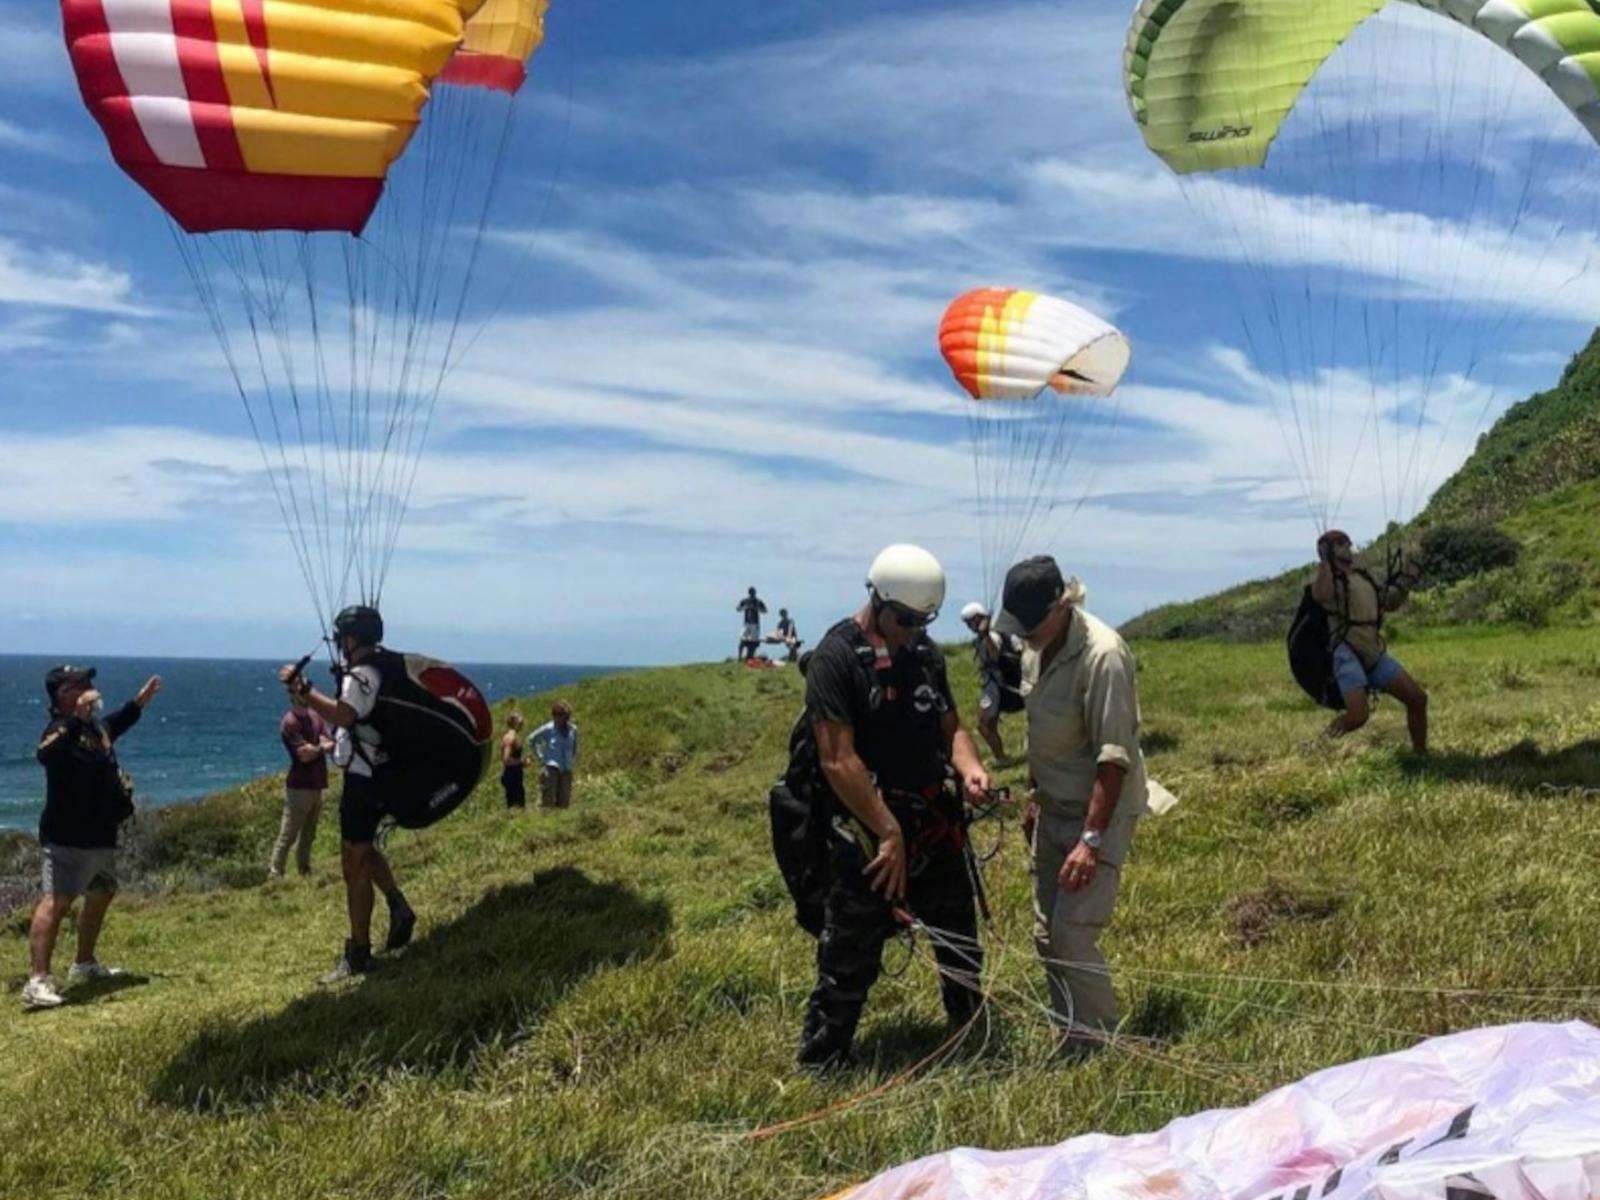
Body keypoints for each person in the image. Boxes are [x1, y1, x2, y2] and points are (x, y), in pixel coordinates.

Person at [798, 543, 991, 1068]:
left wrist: (970, 769)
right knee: (850, 954)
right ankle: (824, 1059)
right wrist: (886, 831)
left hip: (931, 823)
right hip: (867, 835)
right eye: (904, 620)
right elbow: (837, 759)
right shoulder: (837, 659)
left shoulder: (925, 655)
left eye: (922, 621)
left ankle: (969, 1033)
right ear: (876, 600)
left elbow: (950, 729)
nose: (912, 631)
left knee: (959, 940)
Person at [994, 556, 1146, 1055]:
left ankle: (1101, 1046)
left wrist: (1090, 840)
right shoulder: (1034, 649)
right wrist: (1035, 797)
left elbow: (1113, 759)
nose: (1024, 637)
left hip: (1098, 812)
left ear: (1062, 606)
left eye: (1030, 627)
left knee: (1072, 936)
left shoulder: (1104, 656)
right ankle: (1072, 1033)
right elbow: (1041, 731)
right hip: (1053, 805)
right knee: (1045, 936)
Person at [279, 605, 415, 983]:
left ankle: (359, 953)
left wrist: (305, 690)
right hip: (374, 774)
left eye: (342, 638)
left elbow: (344, 716)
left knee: (352, 863)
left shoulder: (361, 676)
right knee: (364, 849)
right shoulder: (379, 669)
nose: (339, 644)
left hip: (363, 779)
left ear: (351, 639)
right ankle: (398, 905)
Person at [23, 665, 162, 1010]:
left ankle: (84, 964)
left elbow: (117, 723)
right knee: (57, 901)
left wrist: (140, 702)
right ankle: (38, 980)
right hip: (68, 836)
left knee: (101, 893)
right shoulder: (61, 730)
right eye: (82, 684)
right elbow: (45, 753)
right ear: (64, 694)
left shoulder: (95, 730)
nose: (91, 688)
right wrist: (74, 719)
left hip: (100, 833)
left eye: (90, 682)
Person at [1311, 530, 1428, 752]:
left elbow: (1389, 602)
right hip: (1347, 653)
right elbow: (1320, 595)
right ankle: (1319, 747)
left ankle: (1421, 754)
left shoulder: (1363, 578)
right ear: (1328, 550)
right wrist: (1325, 563)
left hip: (1373, 653)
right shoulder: (1329, 580)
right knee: (1358, 716)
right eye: (1340, 544)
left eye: (1348, 542)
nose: (1348, 546)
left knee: (1417, 699)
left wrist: (1408, 579)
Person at [269, 681, 334, 879]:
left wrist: (317, 748)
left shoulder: (315, 717)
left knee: (309, 833)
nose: (306, 695)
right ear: (293, 695)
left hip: (316, 784)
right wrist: (321, 747)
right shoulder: (289, 723)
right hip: (299, 787)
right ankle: (275, 873)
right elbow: (303, 754)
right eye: (301, 692)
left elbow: (329, 742)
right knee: (289, 834)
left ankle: (304, 869)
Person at [960, 601, 1026, 761]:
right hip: (995, 684)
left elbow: (995, 655)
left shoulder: (993, 636)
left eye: (972, 621)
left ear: (980, 619)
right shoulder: (994, 635)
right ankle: (1001, 757)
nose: (970, 626)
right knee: (988, 725)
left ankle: (1002, 758)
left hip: (995, 685)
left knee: (984, 724)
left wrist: (986, 635)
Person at [530, 702, 578, 809]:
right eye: (561, 715)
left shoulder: (573, 729)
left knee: (564, 799)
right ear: (555, 716)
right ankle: (546, 821)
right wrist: (540, 755)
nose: (564, 719)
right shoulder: (549, 728)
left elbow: (574, 746)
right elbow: (532, 739)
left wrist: (571, 759)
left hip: (566, 767)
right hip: (551, 767)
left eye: (566, 716)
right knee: (548, 799)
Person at [501, 711, 527, 810]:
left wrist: (522, 763)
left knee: (516, 804)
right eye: (519, 721)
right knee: (516, 806)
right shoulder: (510, 738)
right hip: (512, 776)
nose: (522, 723)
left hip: (515, 774)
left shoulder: (513, 736)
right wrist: (521, 762)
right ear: (514, 723)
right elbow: (506, 760)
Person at [736, 586, 767, 660]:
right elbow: (738, 608)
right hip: (746, 623)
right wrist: (745, 607)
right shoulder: (745, 600)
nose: (752, 594)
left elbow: (765, 610)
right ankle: (739, 657)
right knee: (742, 639)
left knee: (753, 642)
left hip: (755, 624)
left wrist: (756, 608)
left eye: (753, 592)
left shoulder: (758, 601)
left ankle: (750, 657)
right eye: (751, 592)